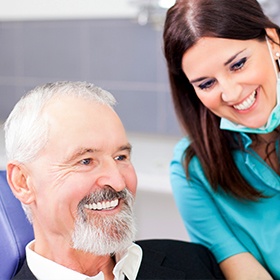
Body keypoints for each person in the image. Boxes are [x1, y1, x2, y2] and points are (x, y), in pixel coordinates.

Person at [4, 81, 224, 280]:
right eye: (85, 161)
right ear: (23, 182)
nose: (118, 182)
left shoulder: (194, 262)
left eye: (121, 157)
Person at [163, 0, 280, 278]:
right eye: (206, 83)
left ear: (273, 42)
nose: (230, 93)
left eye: (238, 64)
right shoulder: (192, 169)